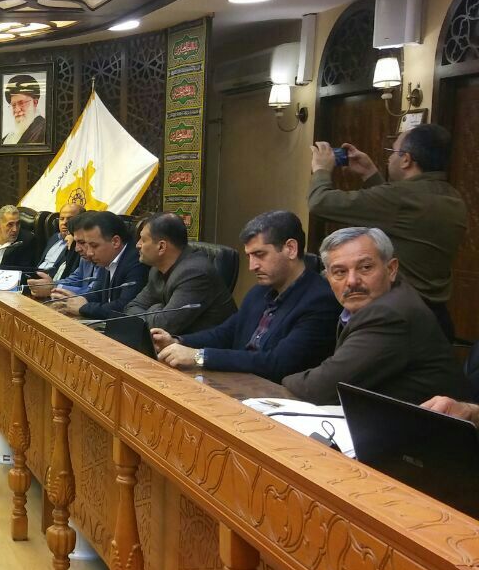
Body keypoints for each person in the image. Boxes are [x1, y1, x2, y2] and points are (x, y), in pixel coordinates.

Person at [308, 124, 467, 338]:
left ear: (406, 160)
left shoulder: (401, 198)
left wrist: (321, 169)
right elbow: (397, 219)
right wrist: (370, 173)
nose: (389, 158)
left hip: (400, 319)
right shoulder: (452, 197)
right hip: (436, 316)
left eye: (393, 152)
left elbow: (320, 203)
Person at [282, 227, 470, 405]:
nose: (352, 281)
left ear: (391, 269)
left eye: (365, 267)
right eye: (340, 272)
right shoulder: (382, 300)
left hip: (429, 426)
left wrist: (283, 380)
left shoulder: (389, 314)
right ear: (328, 278)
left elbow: (321, 387)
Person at [151, 210, 342, 382]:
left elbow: (277, 364)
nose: (252, 266)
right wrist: (177, 341)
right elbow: (226, 333)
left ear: (290, 249)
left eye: (260, 254)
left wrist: (199, 356)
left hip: (279, 398)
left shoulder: (320, 300)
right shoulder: (259, 291)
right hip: (240, 386)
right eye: (249, 256)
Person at [122, 213, 237, 335]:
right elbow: (130, 308)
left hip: (205, 345)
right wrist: (158, 311)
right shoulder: (157, 270)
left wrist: (155, 308)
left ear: (161, 247)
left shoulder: (194, 273)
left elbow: (163, 326)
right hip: (175, 342)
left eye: (143, 240)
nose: (137, 245)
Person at [47, 210, 147, 319]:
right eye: (88, 245)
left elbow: (124, 307)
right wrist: (78, 300)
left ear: (115, 242)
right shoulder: (107, 258)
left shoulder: (136, 262)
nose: (89, 252)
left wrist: (84, 308)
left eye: (94, 246)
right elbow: (98, 293)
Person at [1, 74, 47, 145]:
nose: (17, 109)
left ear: (35, 102)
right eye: (13, 105)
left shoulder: (45, 130)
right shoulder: (7, 138)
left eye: (21, 103)